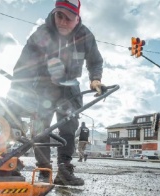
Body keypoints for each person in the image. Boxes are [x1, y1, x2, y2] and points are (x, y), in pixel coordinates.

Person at [8, 0, 104, 186]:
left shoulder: (85, 36)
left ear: (77, 18)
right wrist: (18, 89)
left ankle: (64, 169)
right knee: (40, 126)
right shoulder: (41, 34)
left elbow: (95, 61)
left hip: (70, 87)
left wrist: (95, 79)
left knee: (69, 127)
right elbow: (23, 66)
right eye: (59, 15)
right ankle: (44, 169)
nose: (62, 22)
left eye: (68, 18)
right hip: (43, 87)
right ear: (54, 13)